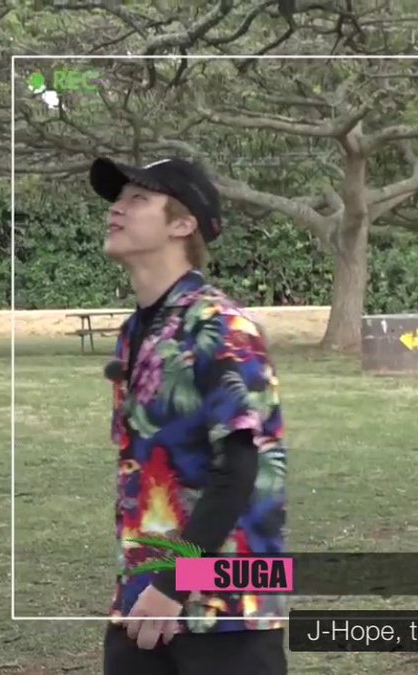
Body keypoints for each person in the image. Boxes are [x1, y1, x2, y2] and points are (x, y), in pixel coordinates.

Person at [91, 156, 289, 675]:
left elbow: (238, 468)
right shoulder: (136, 333)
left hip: (226, 614)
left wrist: (173, 584)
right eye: (118, 200)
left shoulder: (221, 325)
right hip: (144, 600)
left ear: (182, 225)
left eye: (138, 199)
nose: (116, 210)